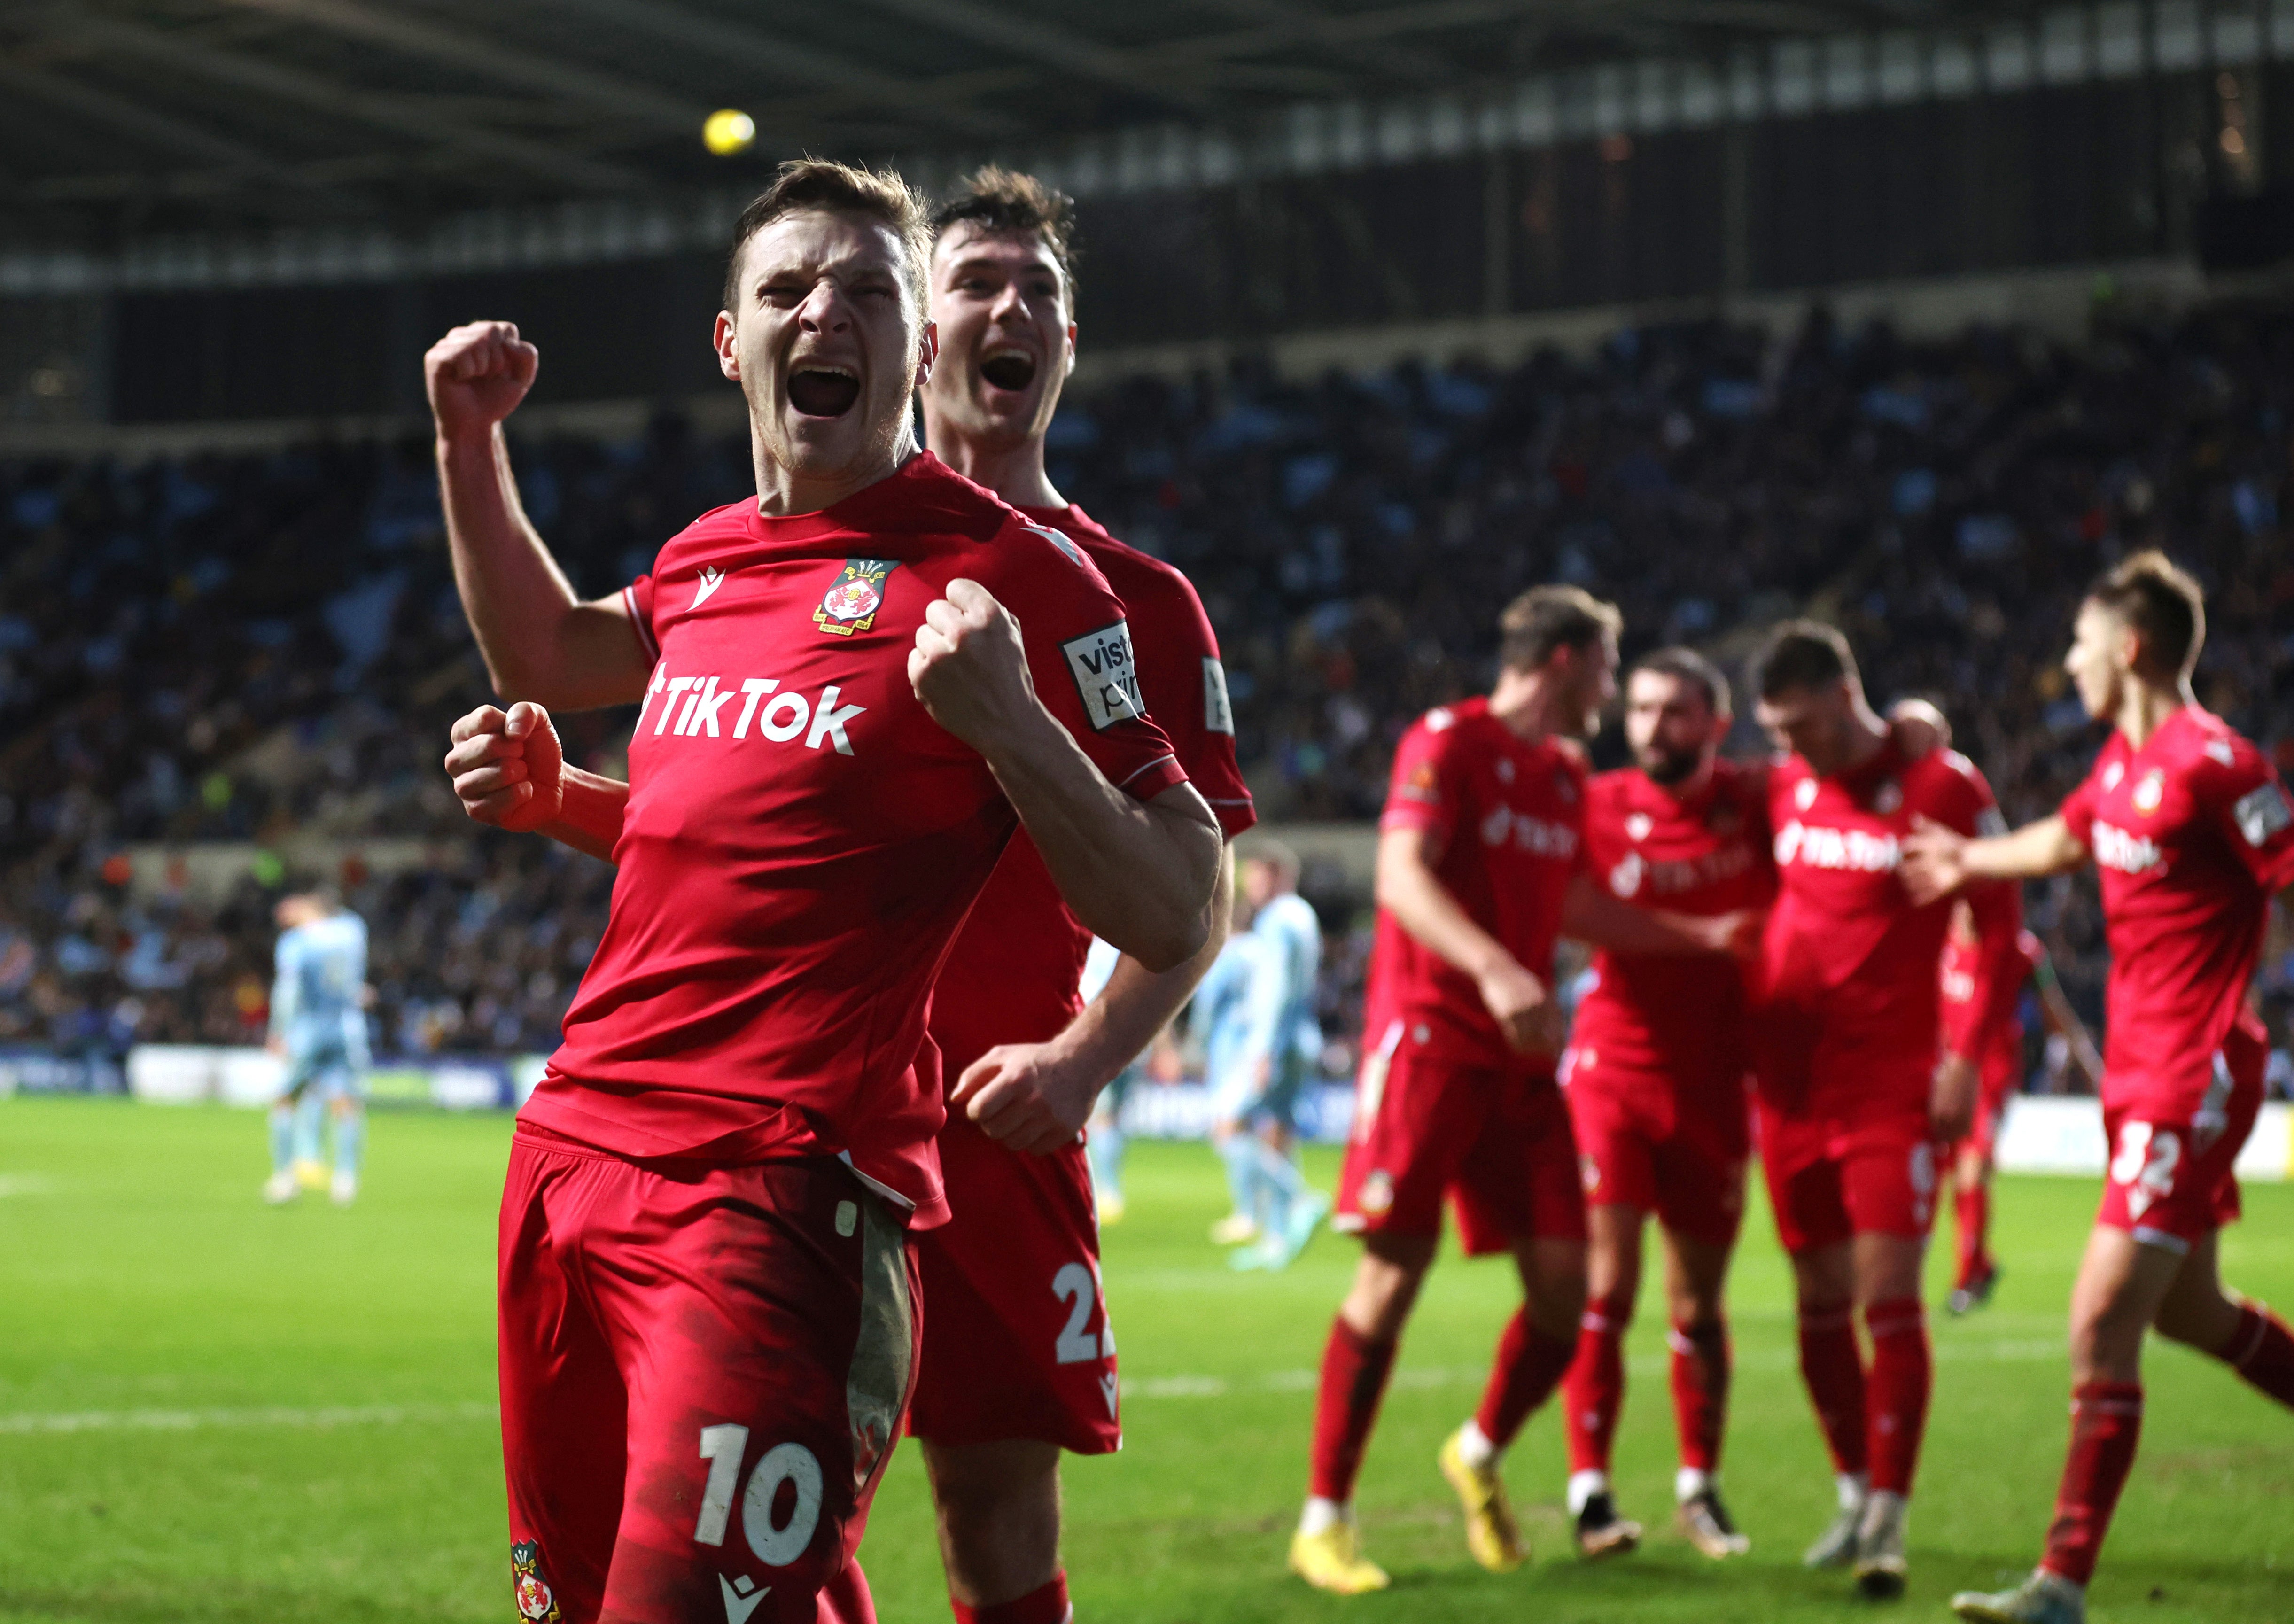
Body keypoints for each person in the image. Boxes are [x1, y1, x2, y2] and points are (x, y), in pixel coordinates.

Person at [429, 158, 1223, 1624]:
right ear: (728, 341)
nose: (826, 316)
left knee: (941, 1522)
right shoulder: (709, 561)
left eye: (867, 291)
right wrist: (468, 439)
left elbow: (1182, 898)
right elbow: (545, 660)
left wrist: (1013, 725)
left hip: (781, 1184)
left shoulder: (1027, 581)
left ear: (909, 346)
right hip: (569, 1157)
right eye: (787, 290)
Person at [900, 169, 1255, 1624]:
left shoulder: (1142, 600)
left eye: (1036, 292)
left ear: (1066, 346)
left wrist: (1086, 1057)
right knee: (758, 1490)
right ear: (914, 330)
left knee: (995, 1503)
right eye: (976, 281)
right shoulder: (805, 556)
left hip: (994, 1111)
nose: (1010, 308)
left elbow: (1199, 884)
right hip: (797, 1096)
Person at [1289, 586, 1753, 1594]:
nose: (1615, 687)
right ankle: (1323, 1518)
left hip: (1523, 1067)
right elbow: (1401, 878)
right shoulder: (1445, 741)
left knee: (1565, 1296)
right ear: (1562, 661)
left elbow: (1578, 901)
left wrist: (1700, 938)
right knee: (1390, 1279)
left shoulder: (1561, 774)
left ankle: (1478, 1449)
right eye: (1606, 665)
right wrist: (1499, 970)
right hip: (1429, 1047)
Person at [1900, 553, 2294, 1624]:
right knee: (2192, 1314)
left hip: (2190, 1071)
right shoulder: (2120, 765)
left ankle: (2059, 1582)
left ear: (2127, 647)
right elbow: (2064, 837)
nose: (2064, 663)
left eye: (2077, 645)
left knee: (2098, 1320)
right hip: (2135, 1069)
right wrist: (1963, 862)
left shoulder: (2215, 762)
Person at [1748, 620, 2027, 1599]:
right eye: (1775, 732)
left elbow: (1998, 925)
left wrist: (1967, 1055)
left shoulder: (1941, 785)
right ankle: (1851, 1490)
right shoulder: (1780, 783)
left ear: (1844, 695)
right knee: (1816, 1305)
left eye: (1803, 727)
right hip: (1784, 1087)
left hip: (1888, 1084)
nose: (1791, 749)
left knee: (1887, 1300)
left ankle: (1889, 1524)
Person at [1554, 648, 1771, 1561]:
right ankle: (1590, 1493)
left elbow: (1853, 767)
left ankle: (1697, 1486)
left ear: (1714, 725)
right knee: (1605, 1285)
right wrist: (1700, 936)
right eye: (1639, 709)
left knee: (1698, 1303)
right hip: (1611, 1074)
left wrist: (1915, 724)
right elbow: (1565, 906)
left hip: (1717, 1086)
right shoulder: (1595, 803)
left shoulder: (1759, 800)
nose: (1649, 726)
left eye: (1673, 712)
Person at [1936, 903, 2103, 1315]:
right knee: (1955, 1174)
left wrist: (2091, 1067)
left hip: (1990, 1076)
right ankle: (1981, 1264)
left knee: (1974, 1168)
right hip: (1942, 1072)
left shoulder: (2021, 950)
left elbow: (2054, 1011)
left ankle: (1967, 1280)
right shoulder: (1938, 940)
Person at [1219, 840, 1328, 1271]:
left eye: (1256, 874)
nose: (1249, 884)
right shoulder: (1304, 916)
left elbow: (1276, 988)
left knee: (1229, 1125)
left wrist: (1262, 1049)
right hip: (1302, 1035)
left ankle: (1299, 1197)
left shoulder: (1279, 920)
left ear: (1278, 874)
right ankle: (1277, 1241)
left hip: (1276, 1040)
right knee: (1277, 1133)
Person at [261, 888, 370, 1207]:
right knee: (346, 1102)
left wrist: (278, 1031)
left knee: (284, 1100)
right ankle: (346, 1179)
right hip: (347, 1025)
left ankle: (284, 1176)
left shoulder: (296, 943)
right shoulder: (352, 932)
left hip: (309, 1028)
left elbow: (287, 990)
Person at [1191, 907, 1266, 1245]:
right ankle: (1263, 1210)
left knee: (1226, 1131)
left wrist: (1196, 1045)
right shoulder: (1263, 948)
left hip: (1230, 1048)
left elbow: (1208, 1004)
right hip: (1257, 1048)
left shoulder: (1229, 954)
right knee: (1247, 1129)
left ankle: (1254, 1211)